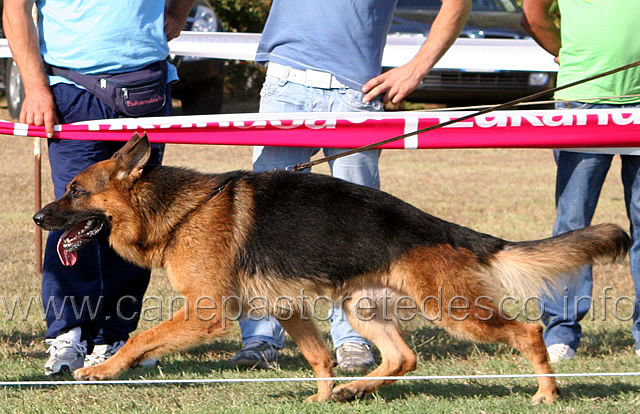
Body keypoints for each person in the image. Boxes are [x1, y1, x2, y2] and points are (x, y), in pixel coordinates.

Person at [231, 0, 472, 371]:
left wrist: (416, 69)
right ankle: (261, 337)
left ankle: (354, 337)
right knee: (266, 224)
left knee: (359, 230)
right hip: (284, 85)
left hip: (356, 93)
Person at [3, 0, 196, 374]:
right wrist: (35, 87)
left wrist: (178, 13)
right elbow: (15, 10)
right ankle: (68, 335)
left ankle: (114, 337)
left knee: (138, 218)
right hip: (72, 91)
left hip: (145, 90)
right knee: (75, 218)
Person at [521, 0, 640, 362]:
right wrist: (569, 56)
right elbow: (535, 17)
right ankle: (561, 332)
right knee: (573, 224)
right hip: (583, 103)